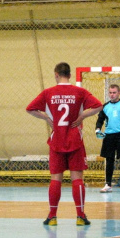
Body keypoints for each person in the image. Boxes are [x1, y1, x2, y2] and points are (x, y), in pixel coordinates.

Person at [26, 62, 102, 226]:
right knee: (77, 179)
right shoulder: (79, 92)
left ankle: (52, 216)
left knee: (56, 179)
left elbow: (30, 109)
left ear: (56, 74)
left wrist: (46, 118)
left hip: (57, 140)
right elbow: (98, 106)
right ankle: (80, 216)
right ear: (69, 74)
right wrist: (82, 116)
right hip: (75, 139)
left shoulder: (48, 93)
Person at [95, 84, 120, 193]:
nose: (112, 95)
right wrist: (98, 129)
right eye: (110, 92)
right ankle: (108, 184)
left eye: (114, 92)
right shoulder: (105, 106)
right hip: (109, 135)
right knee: (109, 160)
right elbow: (100, 119)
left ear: (119, 93)